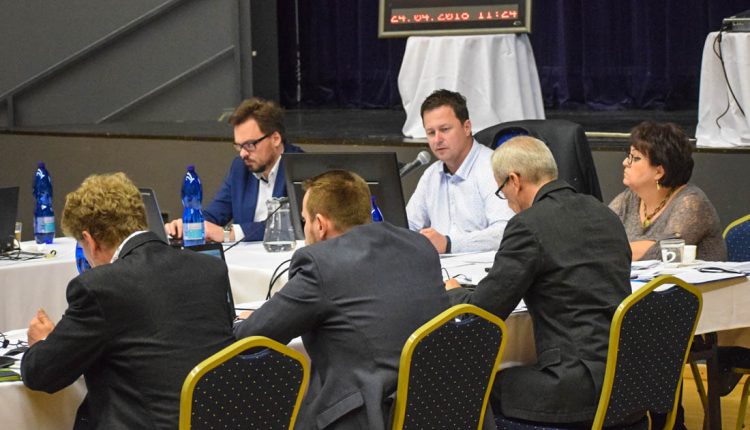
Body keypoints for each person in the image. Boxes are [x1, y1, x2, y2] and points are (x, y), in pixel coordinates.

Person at [234, 170, 449, 430]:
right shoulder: (418, 246)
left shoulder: (321, 265)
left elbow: (252, 337)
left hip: (366, 416)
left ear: (320, 225)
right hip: (437, 406)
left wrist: (244, 321)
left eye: (305, 220)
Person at [22, 173, 236, 430]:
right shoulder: (210, 269)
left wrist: (42, 342)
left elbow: (42, 375)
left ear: (89, 240)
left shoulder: (100, 286)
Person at [447, 136, 632, 425]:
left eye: (502, 192)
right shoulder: (605, 214)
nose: (507, 203)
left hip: (575, 385)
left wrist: (453, 292)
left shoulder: (528, 226)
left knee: (466, 385)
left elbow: (482, 313)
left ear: (514, 180)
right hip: (626, 382)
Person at [165, 97, 304, 242]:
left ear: (275, 139)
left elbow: (293, 226)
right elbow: (215, 214)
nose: (243, 154)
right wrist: (189, 225)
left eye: (249, 145)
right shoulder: (240, 168)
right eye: (239, 146)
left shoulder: (301, 168)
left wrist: (228, 234)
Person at [406, 89, 514, 254]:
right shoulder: (431, 175)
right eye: (431, 133)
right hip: (437, 267)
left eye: (445, 129)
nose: (437, 139)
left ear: (467, 127)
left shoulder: (493, 167)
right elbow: (408, 226)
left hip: (484, 268)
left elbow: (506, 231)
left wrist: (449, 244)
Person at [609, 121, 726, 261]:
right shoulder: (628, 199)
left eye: (635, 158)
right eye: (628, 156)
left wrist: (609, 250)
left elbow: (664, 251)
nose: (625, 163)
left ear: (659, 172)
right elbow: (596, 237)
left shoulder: (691, 202)